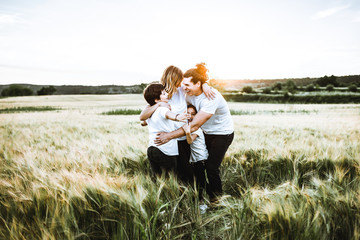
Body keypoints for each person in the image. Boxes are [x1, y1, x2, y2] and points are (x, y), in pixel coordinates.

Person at [155, 63, 234, 204]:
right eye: (183, 84)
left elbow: (194, 125)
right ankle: (203, 195)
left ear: (198, 83)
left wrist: (168, 136)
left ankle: (217, 200)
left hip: (222, 134)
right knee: (199, 165)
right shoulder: (189, 93)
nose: (183, 88)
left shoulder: (211, 97)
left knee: (211, 167)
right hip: (206, 133)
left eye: (187, 85)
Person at [140, 65, 215, 184]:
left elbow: (194, 82)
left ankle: (192, 199)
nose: (182, 83)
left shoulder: (180, 90)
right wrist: (158, 105)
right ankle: (176, 198)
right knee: (174, 175)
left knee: (187, 172)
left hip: (183, 137)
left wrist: (204, 84)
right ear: (174, 79)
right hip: (168, 141)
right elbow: (142, 118)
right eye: (179, 79)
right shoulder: (160, 94)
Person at [143, 83, 189, 178]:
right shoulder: (162, 109)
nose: (167, 95)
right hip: (165, 150)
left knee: (156, 178)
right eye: (163, 94)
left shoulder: (151, 112)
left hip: (152, 148)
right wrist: (178, 117)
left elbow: (143, 122)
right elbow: (169, 115)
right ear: (157, 100)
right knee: (170, 179)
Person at [182, 104, 208, 203]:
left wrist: (187, 132)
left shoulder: (197, 128)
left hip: (201, 159)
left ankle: (202, 202)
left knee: (200, 182)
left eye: (193, 114)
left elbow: (190, 141)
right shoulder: (190, 126)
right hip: (194, 159)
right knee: (196, 181)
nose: (190, 116)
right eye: (187, 113)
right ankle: (199, 200)